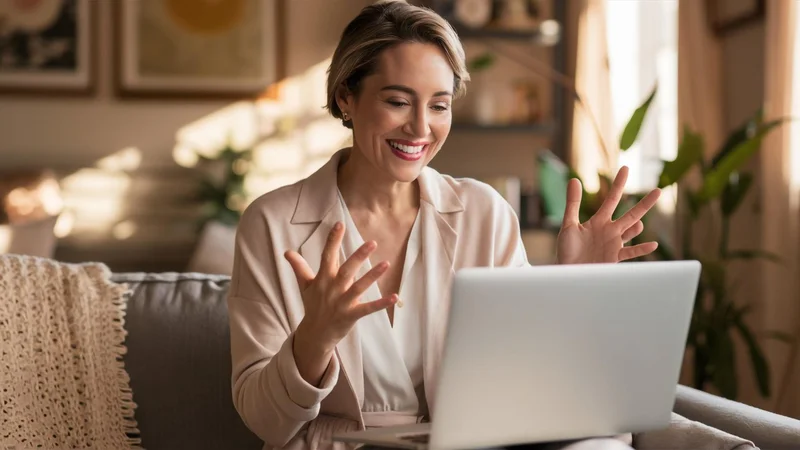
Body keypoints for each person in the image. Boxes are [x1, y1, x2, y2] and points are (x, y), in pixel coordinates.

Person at [227, 2, 661, 449]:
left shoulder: (484, 214)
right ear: (345, 97)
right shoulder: (272, 224)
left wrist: (574, 288)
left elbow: (527, 389)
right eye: (398, 102)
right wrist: (313, 340)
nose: (420, 128)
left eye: (439, 105)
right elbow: (264, 422)